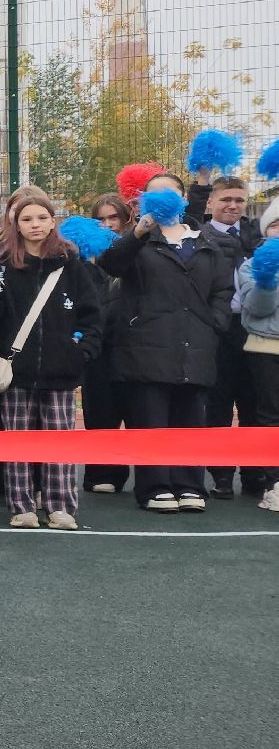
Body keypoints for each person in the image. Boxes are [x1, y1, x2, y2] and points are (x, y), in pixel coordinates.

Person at [99, 180, 236, 512]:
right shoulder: (138, 240)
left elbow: (222, 290)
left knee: (192, 420)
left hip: (197, 345)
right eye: (154, 192)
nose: (164, 197)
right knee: (151, 418)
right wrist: (141, 229)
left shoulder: (205, 241)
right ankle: (155, 486)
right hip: (146, 345)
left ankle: (190, 485)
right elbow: (111, 263)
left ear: (184, 198)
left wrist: (215, 322)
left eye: (171, 192)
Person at [0, 191, 104, 529]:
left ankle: (61, 505)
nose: (35, 225)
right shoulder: (2, 266)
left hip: (62, 372)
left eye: (41, 218)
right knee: (17, 440)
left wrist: (81, 351)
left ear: (52, 222)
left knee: (59, 440)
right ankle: (21, 505)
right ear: (15, 224)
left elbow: (92, 314)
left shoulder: (71, 264)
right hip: (16, 372)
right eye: (27, 219)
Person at [188, 176, 260, 498]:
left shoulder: (255, 235)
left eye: (239, 200)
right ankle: (220, 475)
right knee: (216, 404)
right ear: (211, 203)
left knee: (254, 403)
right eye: (226, 199)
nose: (232, 206)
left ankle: (255, 473)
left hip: (252, 328)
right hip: (214, 329)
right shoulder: (196, 235)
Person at [82, 195, 134, 495]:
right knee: (99, 411)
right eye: (99, 219)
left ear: (125, 220)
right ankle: (101, 473)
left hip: (132, 343)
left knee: (136, 410)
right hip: (98, 345)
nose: (106, 225)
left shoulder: (136, 249)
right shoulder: (84, 257)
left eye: (112, 218)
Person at [235, 199, 279, 511]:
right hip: (265, 348)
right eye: (277, 225)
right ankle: (274, 483)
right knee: (270, 416)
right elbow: (259, 309)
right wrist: (269, 277)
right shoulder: (251, 265)